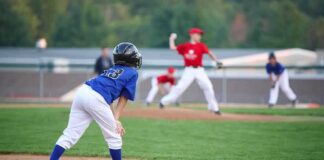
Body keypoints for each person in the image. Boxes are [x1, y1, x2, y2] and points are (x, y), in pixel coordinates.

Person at [49, 42, 142, 160]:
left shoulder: (113, 69)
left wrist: (115, 120)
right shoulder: (133, 72)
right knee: (114, 137)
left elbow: (107, 99)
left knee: (70, 134)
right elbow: (123, 98)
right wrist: (116, 120)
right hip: (96, 98)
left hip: (83, 92)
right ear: (129, 58)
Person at [160, 28, 223, 115]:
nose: (199, 36)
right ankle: (163, 102)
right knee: (180, 88)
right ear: (192, 35)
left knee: (208, 87)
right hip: (188, 70)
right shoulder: (186, 46)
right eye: (198, 34)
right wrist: (171, 38)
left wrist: (217, 61)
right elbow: (172, 48)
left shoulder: (201, 45)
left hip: (199, 70)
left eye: (200, 35)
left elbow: (210, 53)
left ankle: (214, 108)